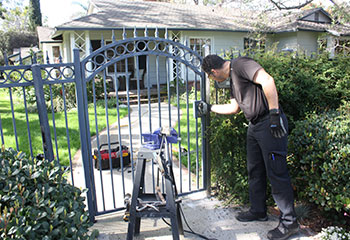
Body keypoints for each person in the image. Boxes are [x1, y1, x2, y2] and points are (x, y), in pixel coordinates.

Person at [201, 54, 299, 240]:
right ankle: (258, 210)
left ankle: (290, 223)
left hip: (270, 124)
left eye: (210, 77)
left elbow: (267, 80)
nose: (212, 80)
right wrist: (209, 107)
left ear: (213, 72)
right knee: (255, 170)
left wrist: (274, 115)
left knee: (277, 172)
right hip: (255, 127)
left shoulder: (241, 64)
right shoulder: (233, 79)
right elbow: (233, 108)